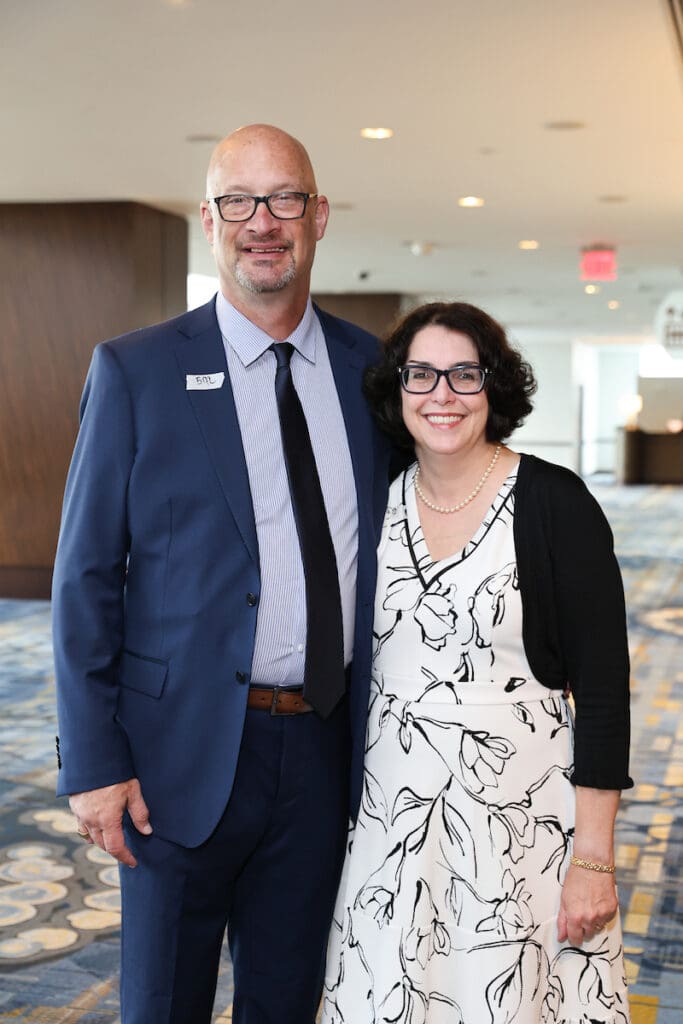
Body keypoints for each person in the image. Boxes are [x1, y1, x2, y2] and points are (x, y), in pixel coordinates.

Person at [52, 124, 390, 1024]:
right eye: (238, 201)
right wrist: (92, 761)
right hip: (175, 760)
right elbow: (85, 576)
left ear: (318, 216)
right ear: (208, 219)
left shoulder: (370, 373)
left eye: (283, 199)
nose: (262, 222)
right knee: (162, 1004)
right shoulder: (138, 369)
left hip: (322, 750)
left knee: (286, 1001)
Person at [322, 301, 632, 1024]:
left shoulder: (554, 501)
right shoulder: (375, 501)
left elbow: (605, 693)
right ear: (395, 391)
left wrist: (592, 857)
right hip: (391, 818)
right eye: (420, 374)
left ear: (494, 386)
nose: (441, 394)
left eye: (464, 374)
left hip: (520, 821)